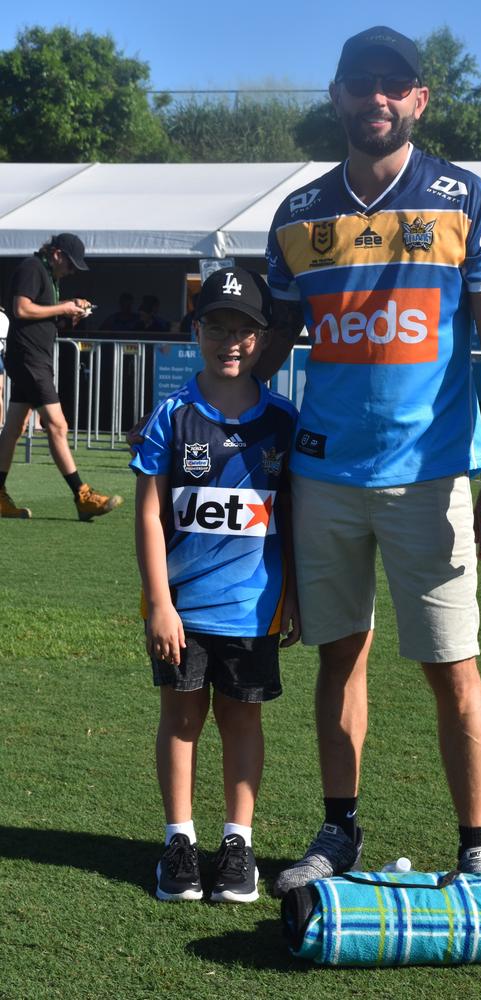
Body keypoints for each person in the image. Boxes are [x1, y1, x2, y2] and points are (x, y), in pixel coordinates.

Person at [259, 25, 481, 896]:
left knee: (453, 667)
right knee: (341, 657)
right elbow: (274, 343)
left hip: (433, 478)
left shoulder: (465, 197)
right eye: (358, 82)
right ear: (335, 96)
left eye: (393, 83)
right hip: (325, 476)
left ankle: (475, 845)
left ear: (419, 99)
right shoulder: (297, 214)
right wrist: (214, 420)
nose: (375, 96)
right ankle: (339, 832)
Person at [130, 266, 300, 903]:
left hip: (254, 609)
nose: (231, 340)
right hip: (183, 610)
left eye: (244, 329)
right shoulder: (172, 415)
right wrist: (159, 604)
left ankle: (237, 844)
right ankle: (179, 840)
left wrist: (298, 598)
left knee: (242, 721)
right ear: (196, 329)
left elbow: (296, 515)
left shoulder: (282, 420)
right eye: (217, 326)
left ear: (262, 337)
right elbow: (149, 512)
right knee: (180, 719)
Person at [0, 234, 123, 520]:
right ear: (56, 254)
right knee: (57, 424)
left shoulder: (47, 274)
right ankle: (82, 494)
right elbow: (21, 308)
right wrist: (63, 307)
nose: (71, 271)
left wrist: (68, 314)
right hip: (29, 359)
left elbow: (37, 315)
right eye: (70, 264)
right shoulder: (32, 268)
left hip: (33, 358)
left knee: (14, 428)